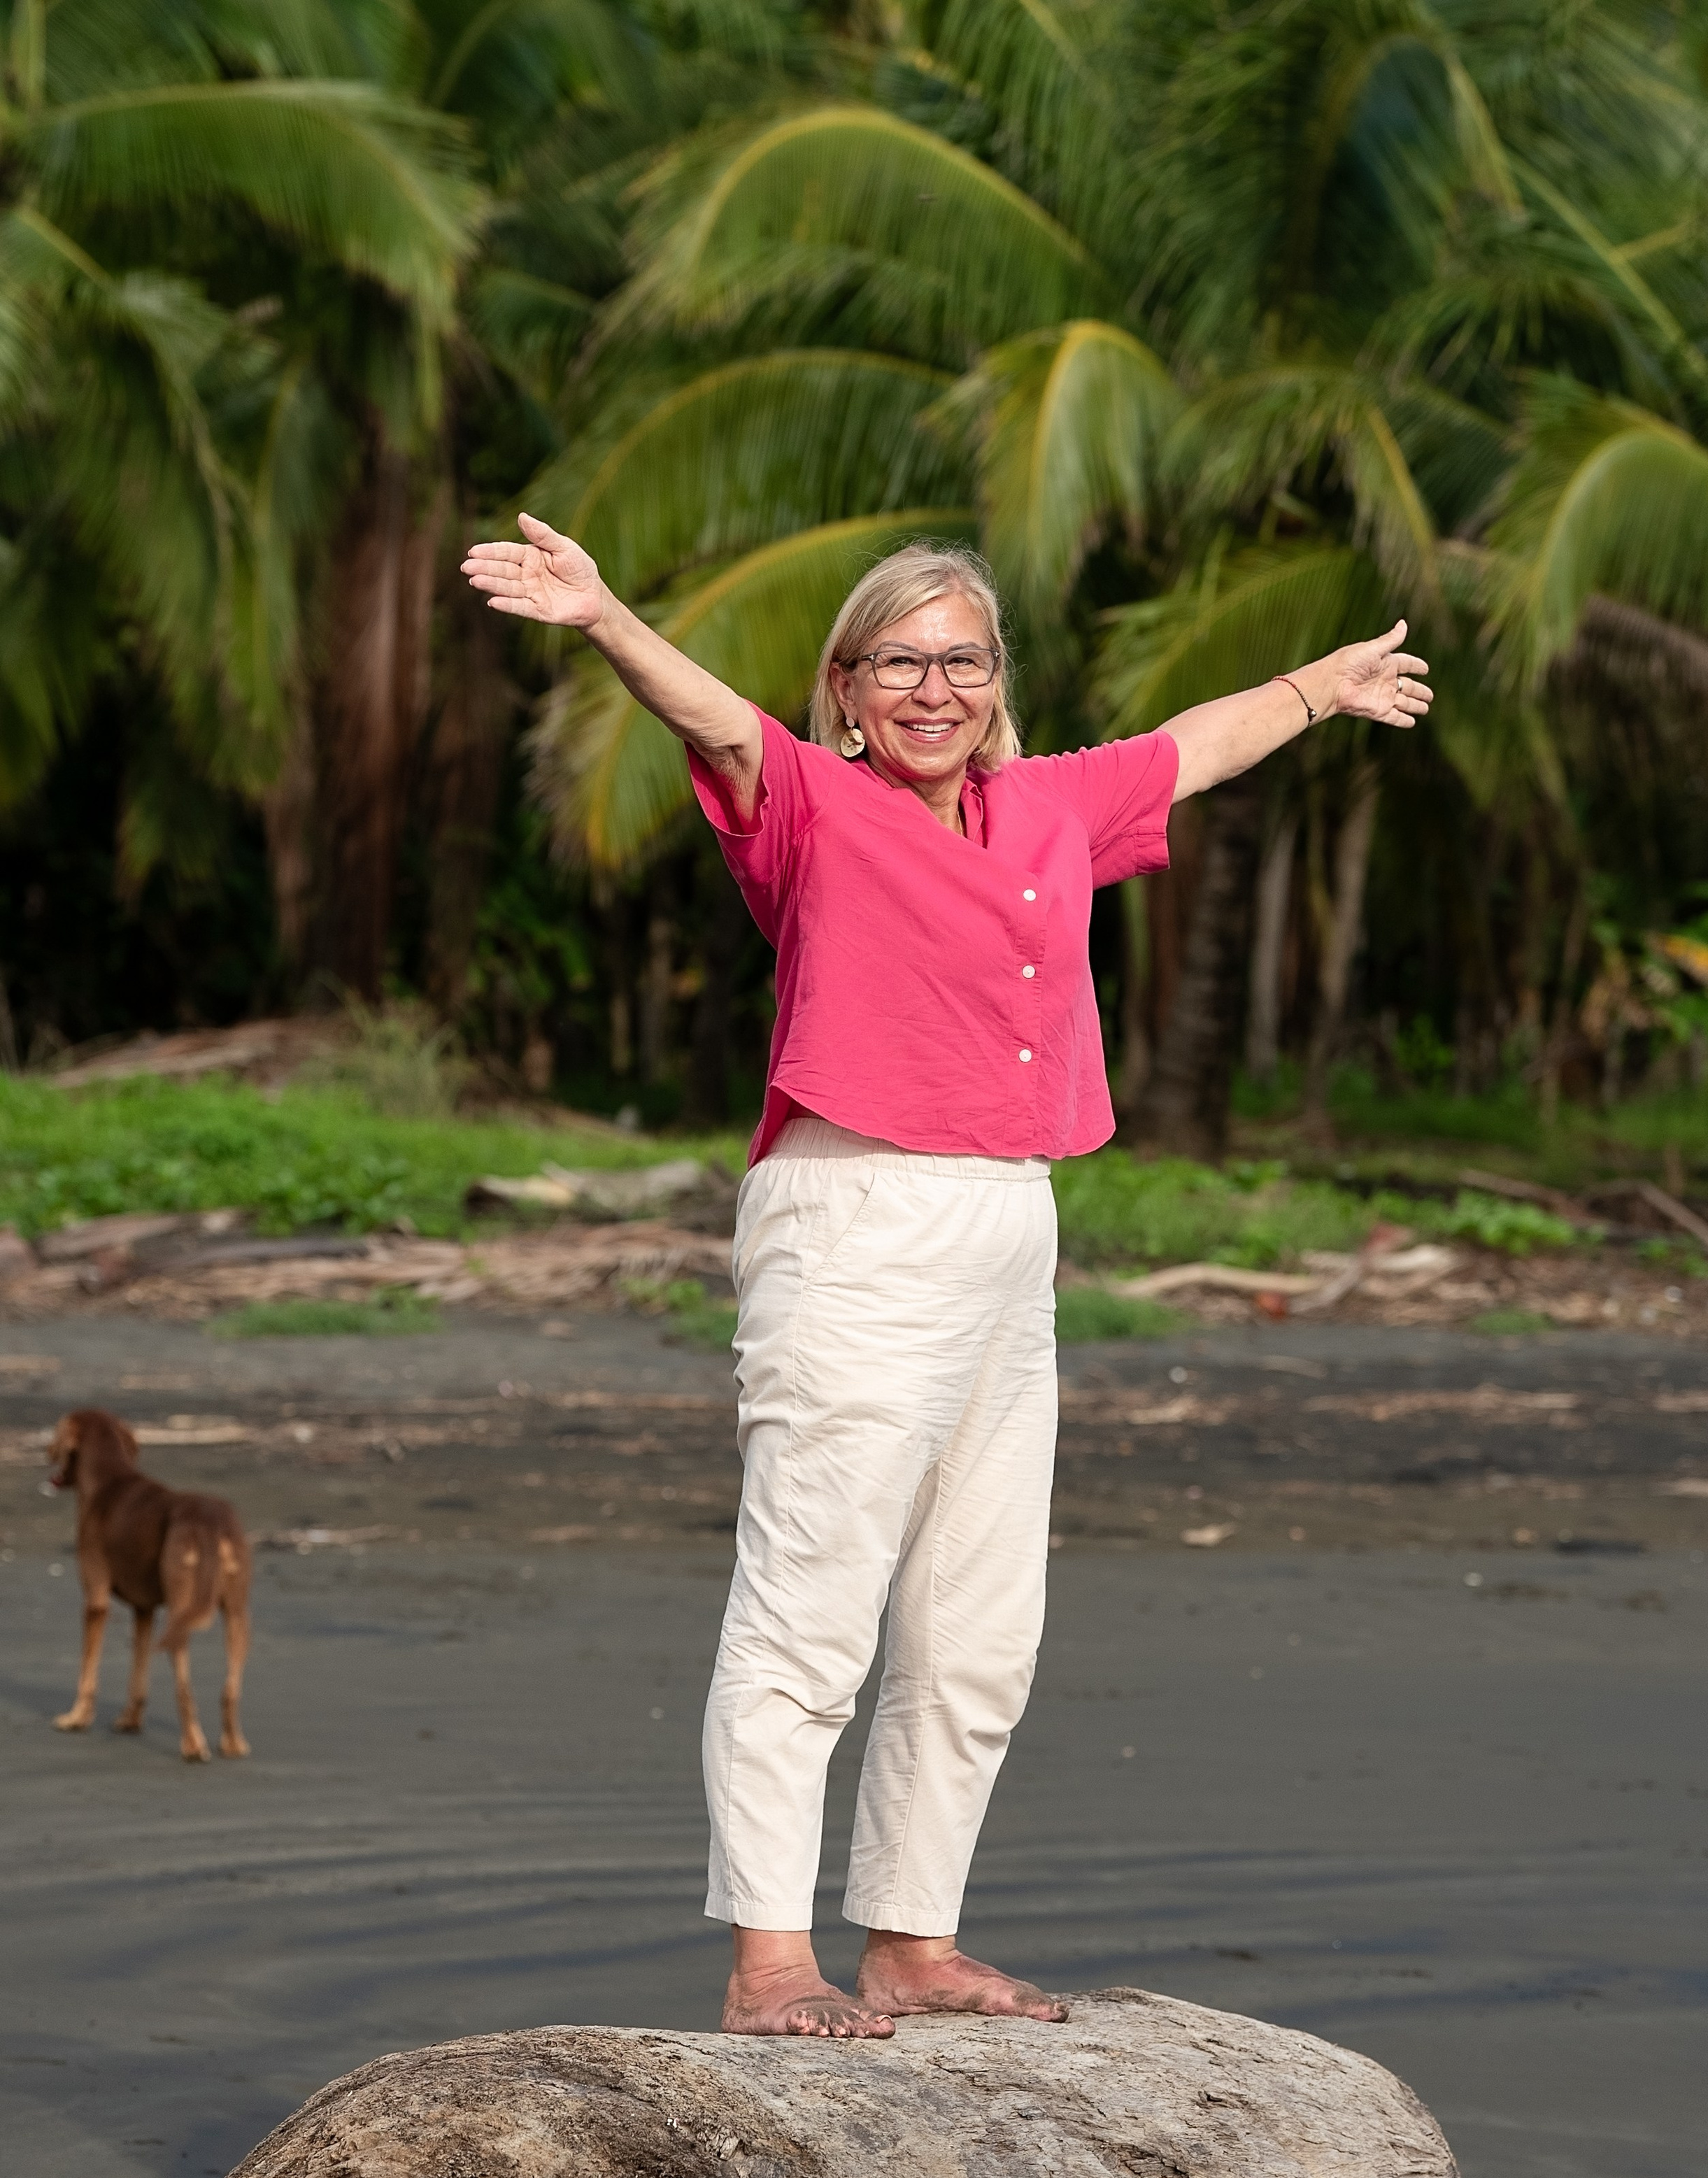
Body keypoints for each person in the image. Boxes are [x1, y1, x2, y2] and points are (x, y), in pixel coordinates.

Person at [462, 515, 1432, 2040]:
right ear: (847, 689)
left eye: (961, 660)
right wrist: (603, 619)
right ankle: (770, 1961)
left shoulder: (1046, 807)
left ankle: (913, 1938)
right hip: (855, 1220)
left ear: (996, 680)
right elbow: (715, 719)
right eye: (900, 663)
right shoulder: (809, 803)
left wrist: (1323, 684)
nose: (934, 689)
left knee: (977, 1622)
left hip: (1006, 1226)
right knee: (811, 1606)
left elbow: (1192, 745)